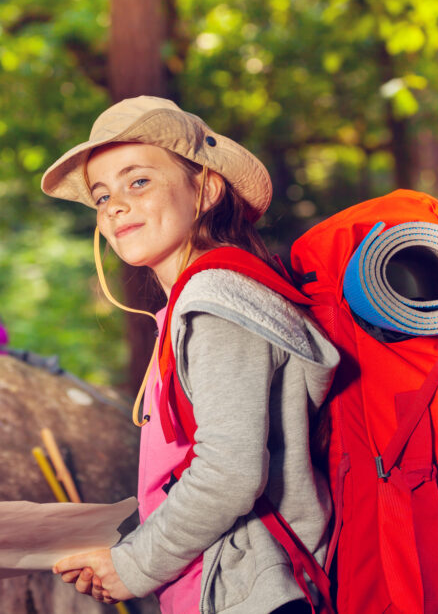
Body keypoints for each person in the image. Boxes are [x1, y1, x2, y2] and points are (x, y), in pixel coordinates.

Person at [41, 96, 340, 613]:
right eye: (102, 195)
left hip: (257, 594)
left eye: (138, 182)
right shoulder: (201, 299)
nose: (113, 206)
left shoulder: (217, 301)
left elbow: (231, 472)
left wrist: (134, 564)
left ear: (206, 189)